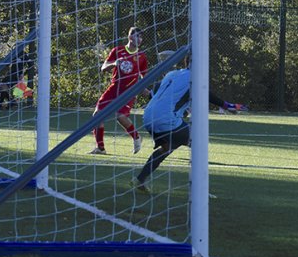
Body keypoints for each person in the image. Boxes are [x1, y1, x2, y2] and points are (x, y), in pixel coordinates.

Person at [131, 52, 248, 194]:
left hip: (148, 116)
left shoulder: (172, 74)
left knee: (168, 147)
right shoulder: (195, 78)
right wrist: (227, 106)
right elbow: (207, 95)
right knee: (198, 144)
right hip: (166, 118)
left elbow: (152, 94)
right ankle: (200, 191)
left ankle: (140, 179)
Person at [89, 27, 149, 155]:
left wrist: (144, 89)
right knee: (97, 115)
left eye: (141, 36)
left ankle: (137, 137)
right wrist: (114, 64)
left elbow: (144, 77)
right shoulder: (117, 50)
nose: (139, 39)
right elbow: (103, 68)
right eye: (136, 36)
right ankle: (100, 148)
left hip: (129, 91)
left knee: (120, 116)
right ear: (129, 37)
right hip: (114, 88)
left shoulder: (142, 56)